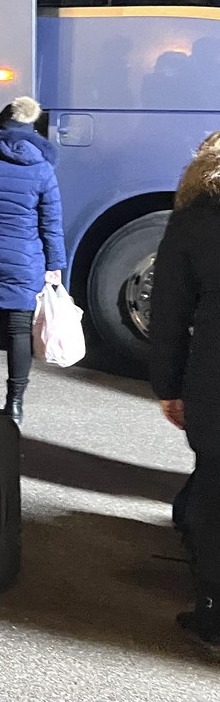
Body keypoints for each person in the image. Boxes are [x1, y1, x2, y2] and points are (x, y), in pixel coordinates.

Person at [150, 131, 220, 648]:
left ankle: (214, 609)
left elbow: (169, 312)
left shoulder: (195, 218)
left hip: (214, 381)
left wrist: (170, 386)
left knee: (214, 490)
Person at [0, 97, 65, 423]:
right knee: (19, 330)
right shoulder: (43, 170)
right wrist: (55, 265)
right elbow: (51, 224)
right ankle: (15, 403)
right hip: (27, 261)